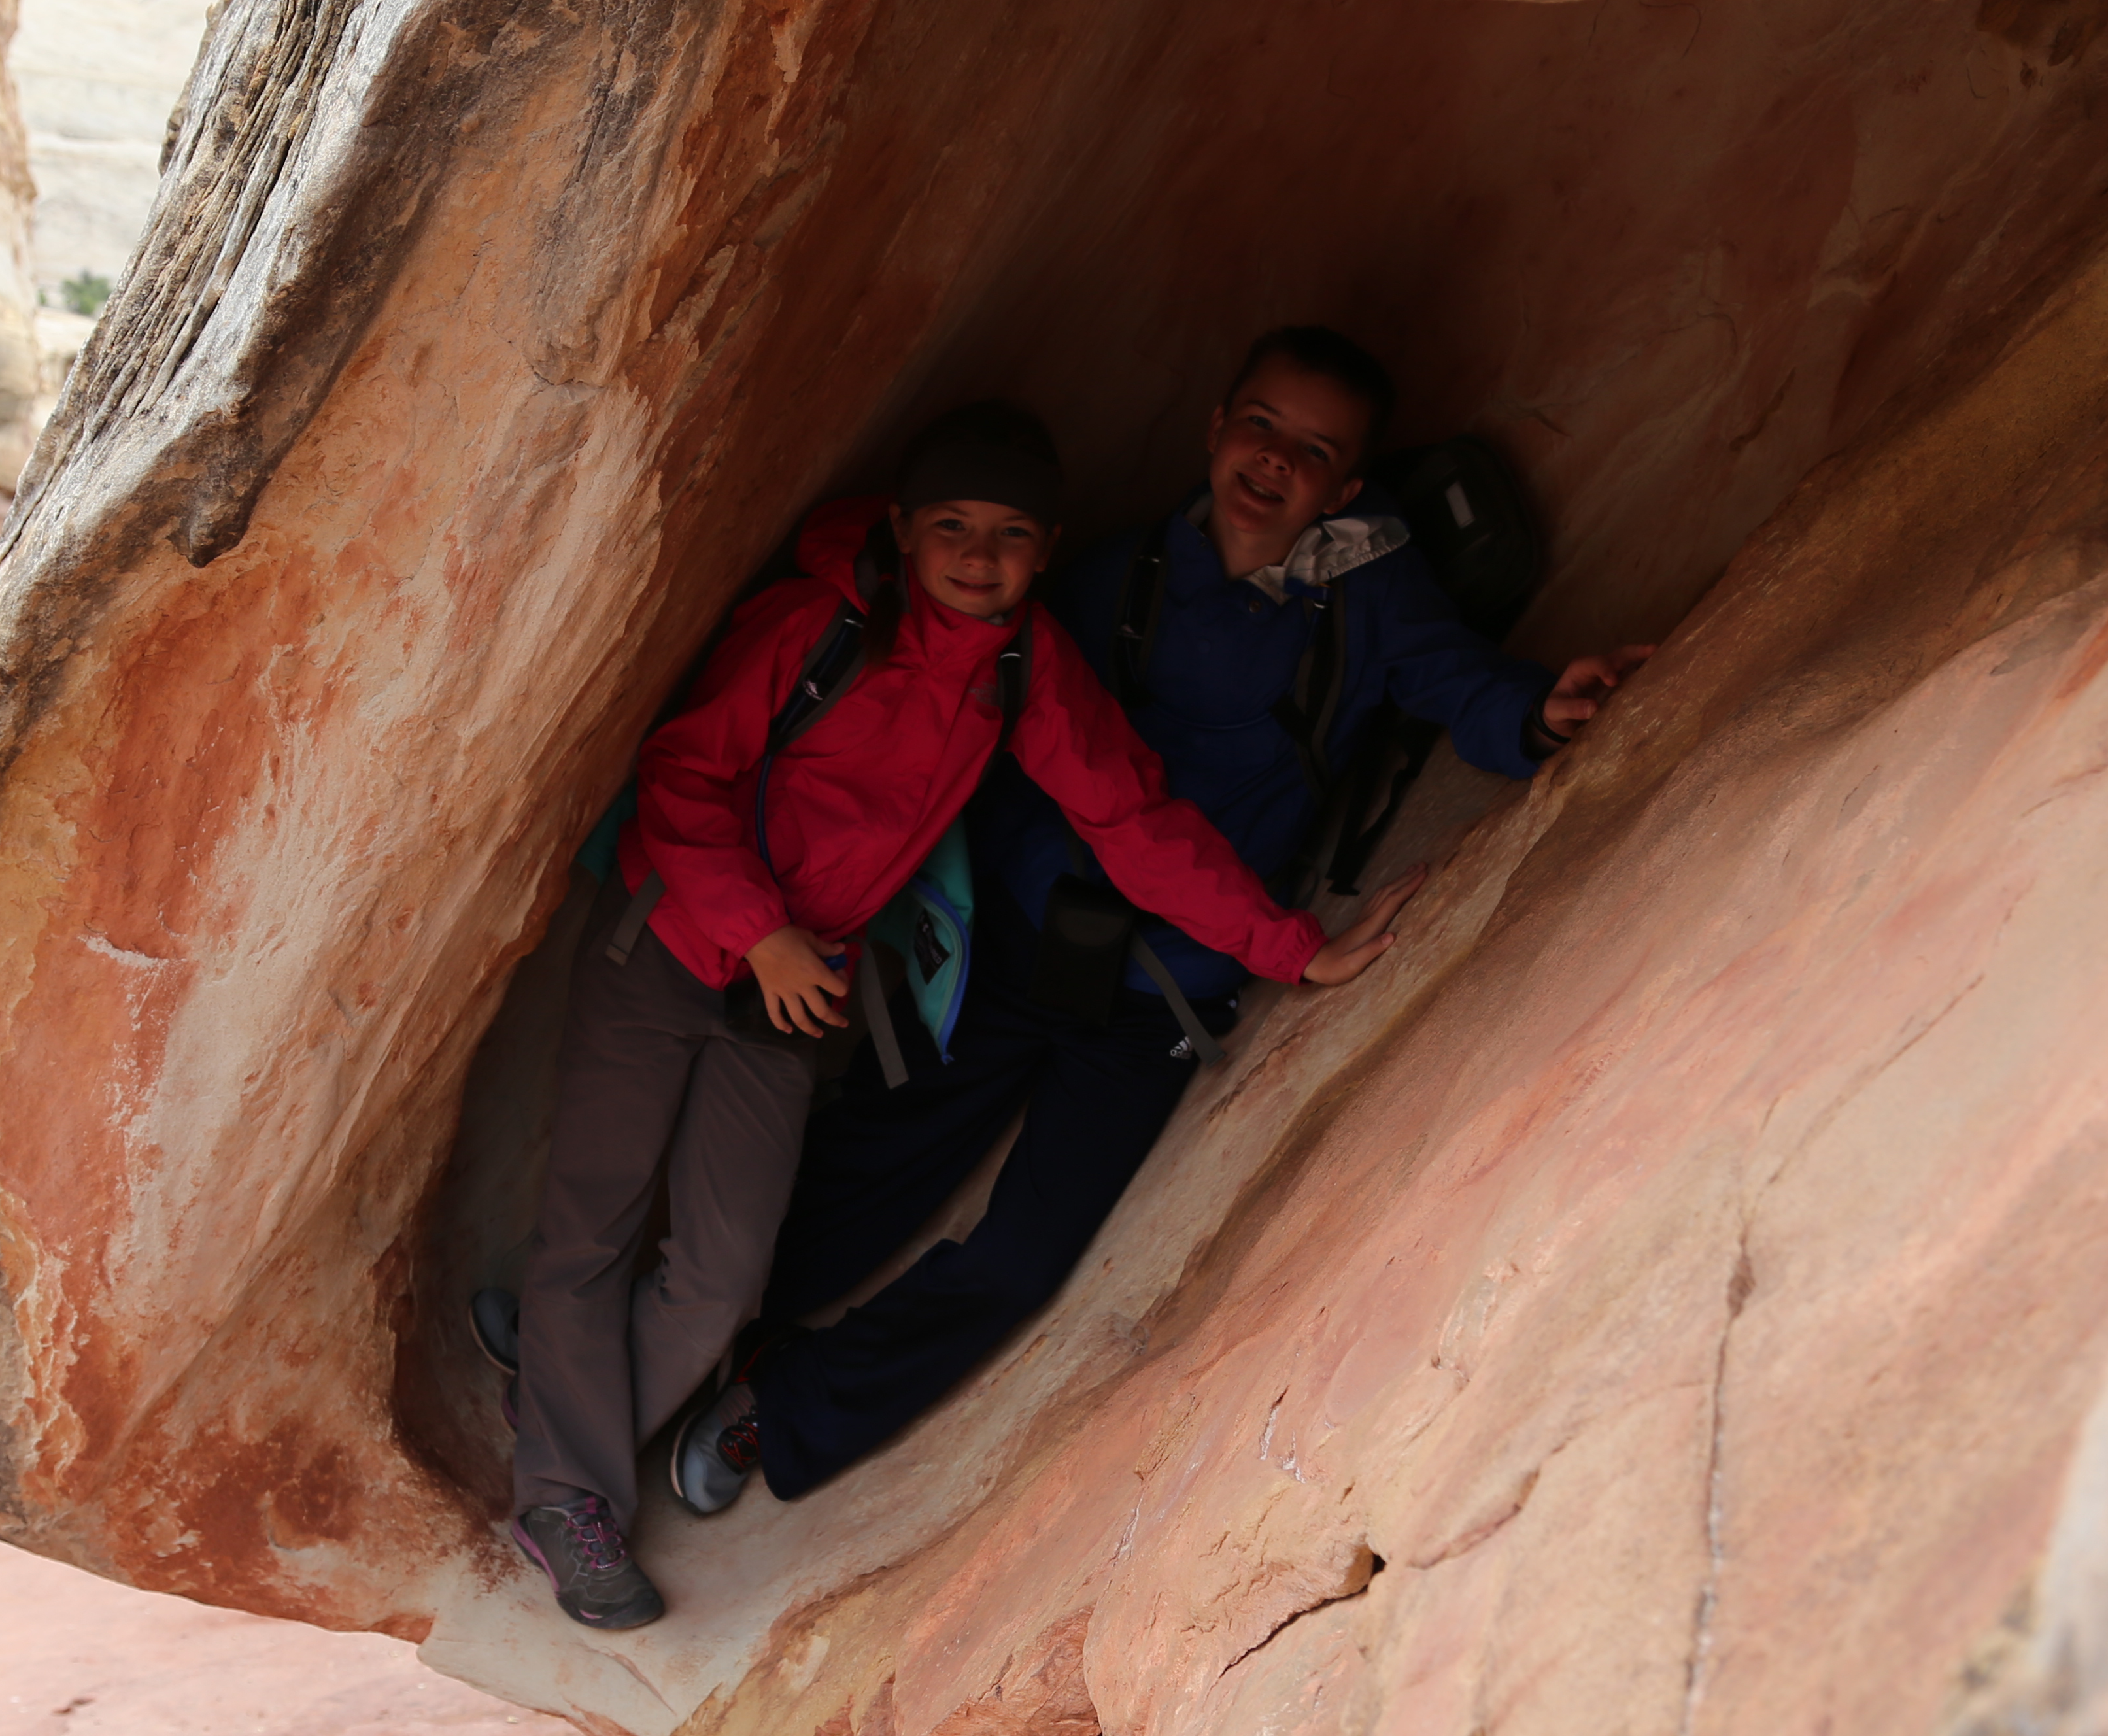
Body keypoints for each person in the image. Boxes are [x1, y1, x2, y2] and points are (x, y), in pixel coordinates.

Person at [670, 328, 1655, 1517]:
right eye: (1260, 426)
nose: (1274, 462)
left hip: (1173, 980)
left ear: (1347, 488)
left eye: (1313, 452)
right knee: (882, 1142)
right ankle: (681, 1335)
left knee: (1025, 1253)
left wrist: (1542, 711)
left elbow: (1462, 683)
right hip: (1039, 921)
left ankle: (789, 1403)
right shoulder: (1117, 570)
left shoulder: (1369, 601)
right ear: (1215, 426)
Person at [487, 400, 1417, 1630]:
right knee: (591, 1233)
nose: (980, 557)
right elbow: (680, 778)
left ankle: (560, 1398)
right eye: (954, 528)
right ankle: (567, 1499)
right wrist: (755, 931)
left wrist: (1291, 949)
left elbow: (1132, 821)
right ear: (905, 531)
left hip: (799, 987)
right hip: (671, 944)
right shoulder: (818, 625)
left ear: (1050, 546)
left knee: (722, 1278)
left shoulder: (1025, 666)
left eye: (1012, 534)